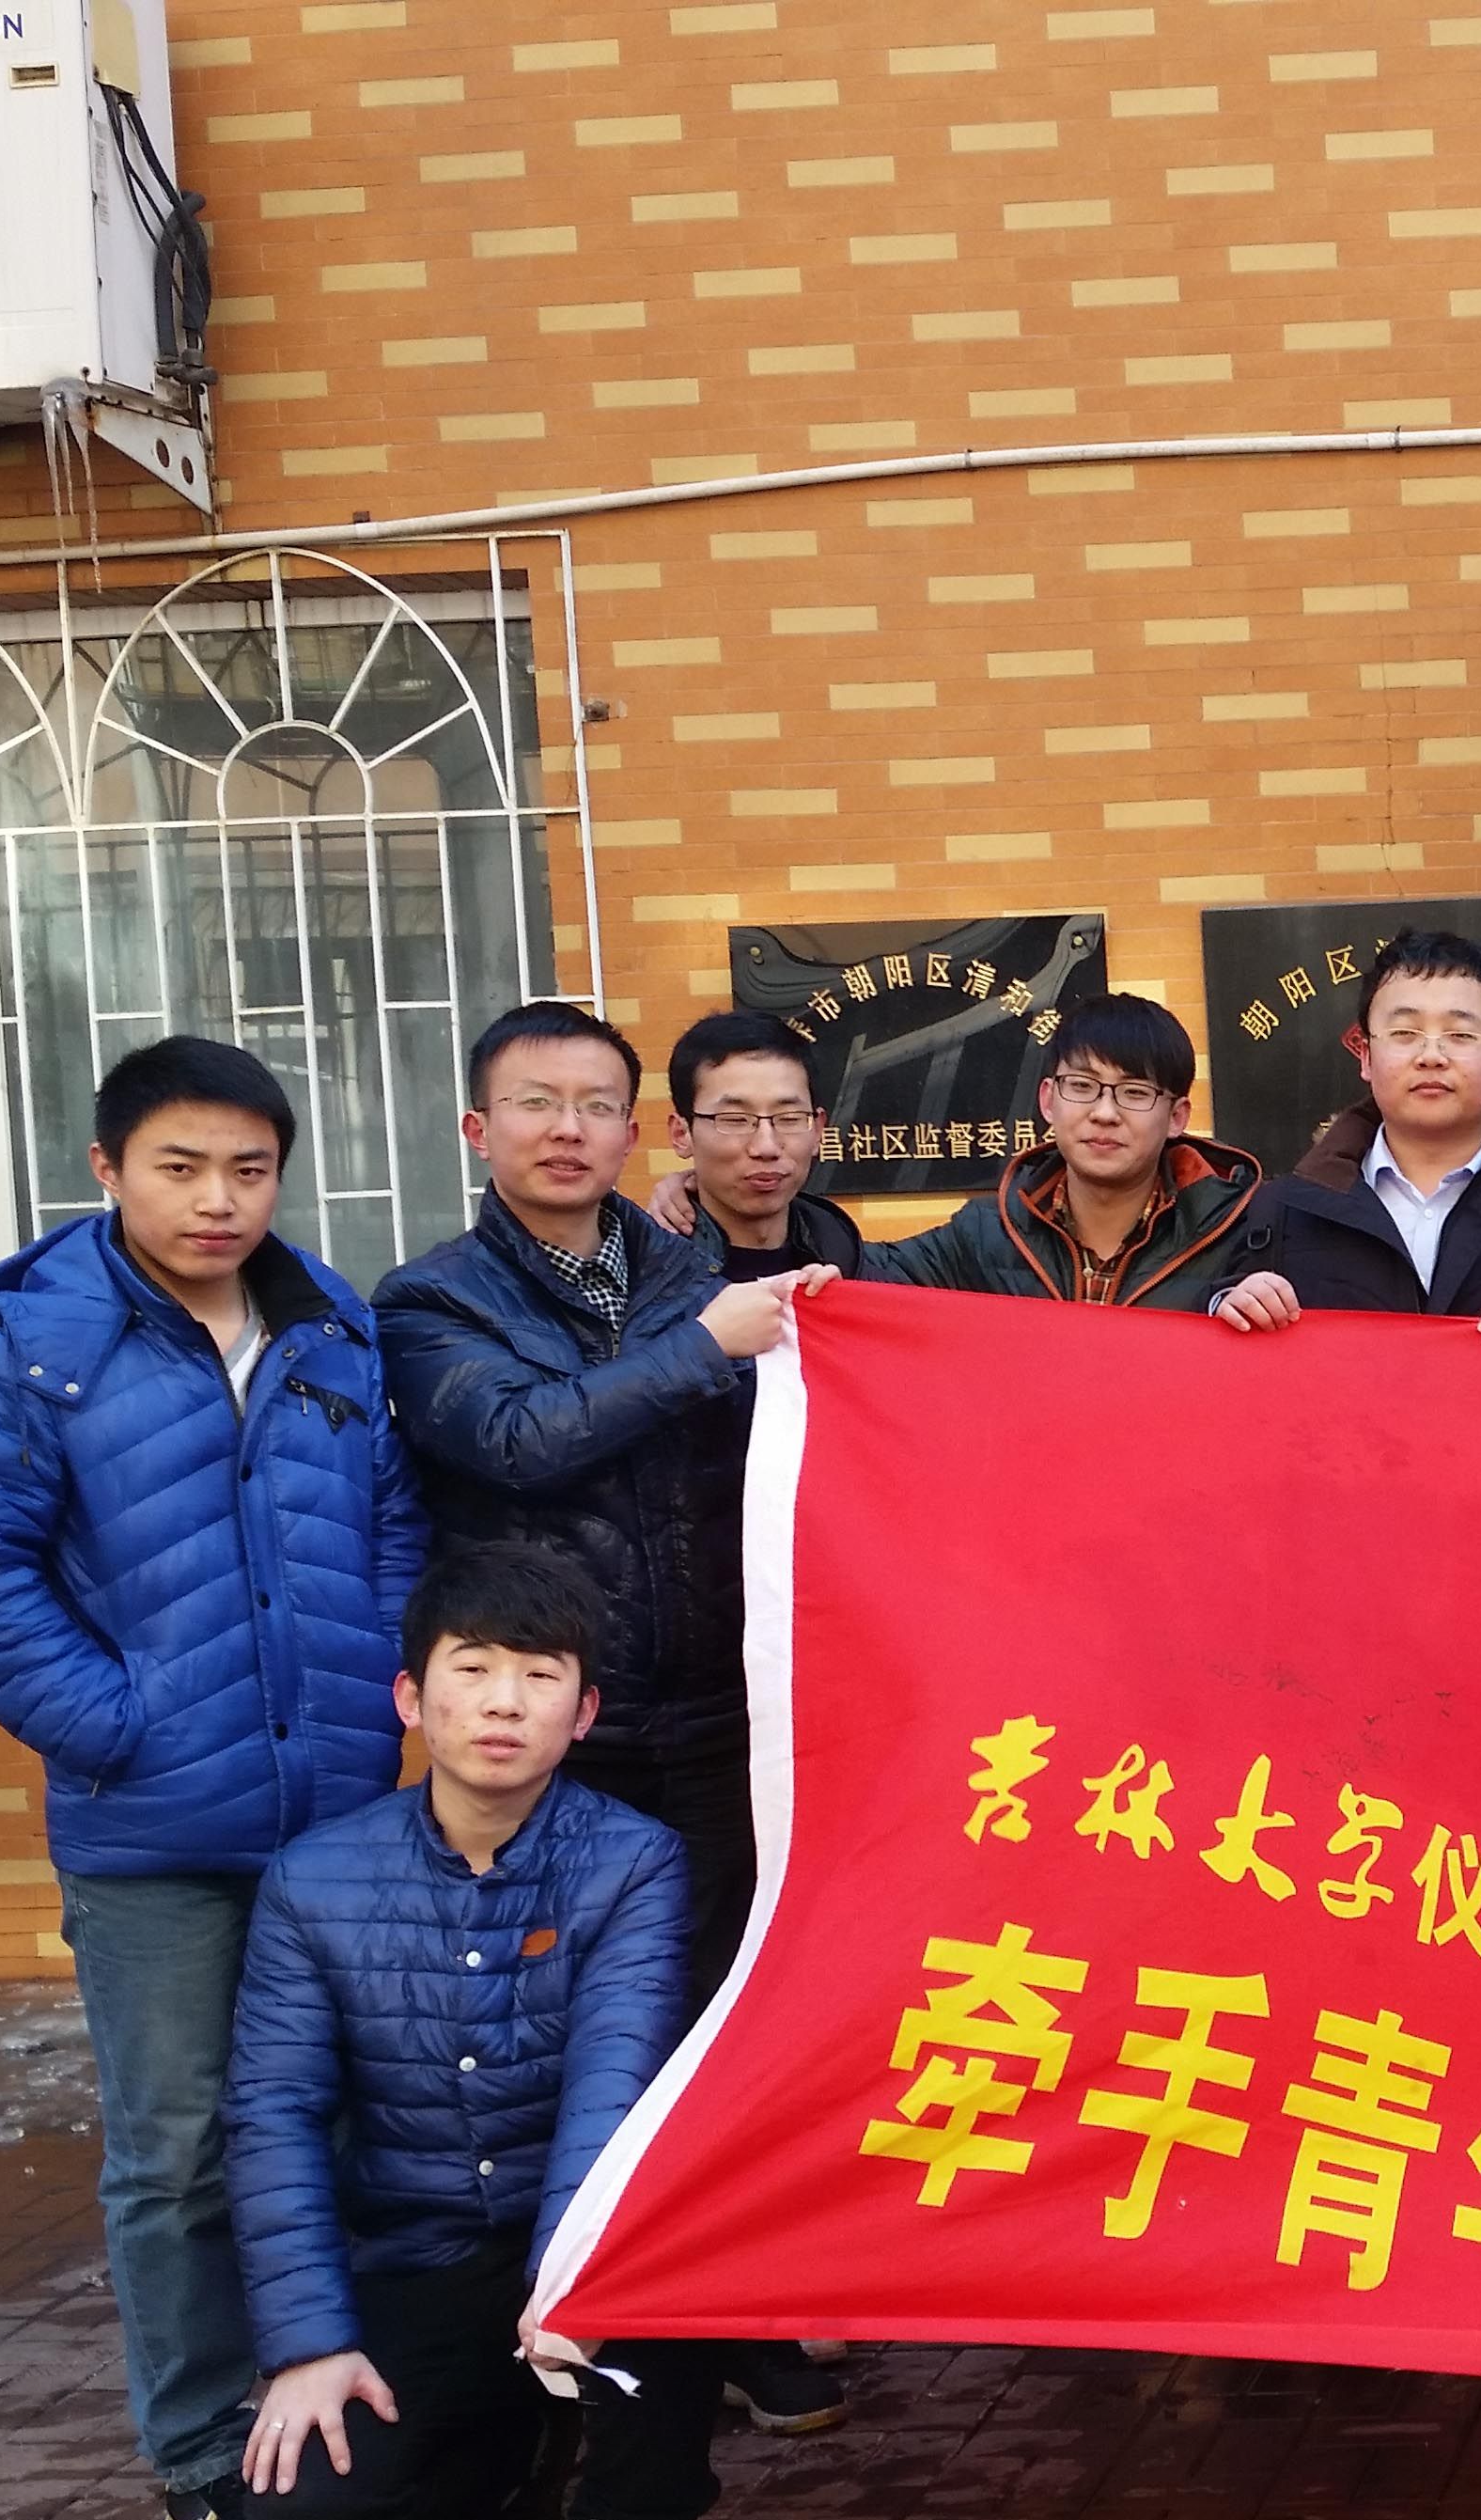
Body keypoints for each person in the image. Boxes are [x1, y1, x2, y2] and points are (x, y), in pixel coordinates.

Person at [0, 1036, 422, 2520]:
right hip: (152, 1838)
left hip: (332, 1819)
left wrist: (377, 1690)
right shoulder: (31, 1353)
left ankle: (346, 2405)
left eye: (249, 1169)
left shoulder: (331, 1334)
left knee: (344, 2123)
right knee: (182, 2147)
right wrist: (121, 1728)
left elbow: (394, 1531)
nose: (217, 1200)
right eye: (180, 1167)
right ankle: (202, 2447)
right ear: (108, 1170)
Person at [373, 998, 845, 2437]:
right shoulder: (433, 1302)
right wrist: (707, 1346)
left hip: (720, 1721)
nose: (566, 1130)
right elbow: (516, 1440)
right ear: (479, 1128)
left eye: (594, 1105)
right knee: (559, 2041)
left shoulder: (692, 1271)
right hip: (553, 1740)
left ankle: (726, 2320)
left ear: (635, 1133)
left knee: (722, 2027)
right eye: (535, 1103)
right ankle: (557, 2331)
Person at [224, 1545, 726, 2520]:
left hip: (590, 2235)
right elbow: (273, 2115)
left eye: (541, 1677)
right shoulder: (313, 1881)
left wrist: (567, 2281)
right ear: (412, 1696)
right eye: (474, 1669)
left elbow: (612, 2077)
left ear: (582, 1713)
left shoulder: (633, 1862)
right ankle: (515, 2470)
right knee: (302, 2516)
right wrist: (307, 2345)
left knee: (669, 2267)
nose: (504, 1703)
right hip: (426, 2248)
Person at [1211, 929, 1481, 1341]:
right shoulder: (1284, 1210)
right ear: (1365, 1056)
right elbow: (1224, 1360)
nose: (1431, 1056)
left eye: (1460, 1034)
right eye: (1405, 1033)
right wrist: (1228, 1309)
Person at [849, 994, 1267, 1308]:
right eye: (1082, 1086)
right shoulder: (986, 1234)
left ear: (1177, 1117)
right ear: (1048, 1100)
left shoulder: (1242, 1237)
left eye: (1135, 1092)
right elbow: (863, 1275)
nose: (1104, 1113)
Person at [664, 1010, 866, 1281]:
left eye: (789, 1118)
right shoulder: (643, 1277)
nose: (766, 1147)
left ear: (818, 1130)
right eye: (735, 1120)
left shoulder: (846, 1256)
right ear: (681, 1133)